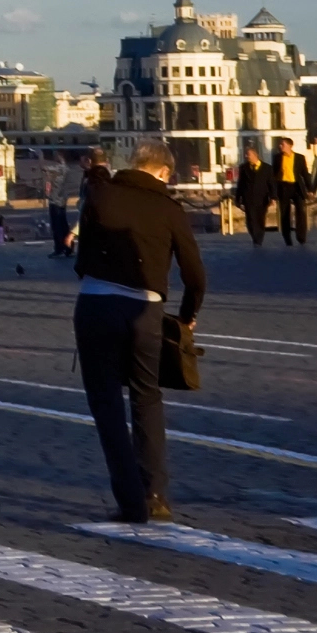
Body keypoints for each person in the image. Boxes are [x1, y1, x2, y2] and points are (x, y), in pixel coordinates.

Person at [74, 136, 204, 523]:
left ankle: (130, 501)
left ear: (133, 162)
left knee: (107, 404)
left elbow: (82, 257)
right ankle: (156, 494)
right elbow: (195, 274)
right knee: (147, 397)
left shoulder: (102, 195)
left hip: (96, 304)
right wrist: (187, 315)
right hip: (146, 309)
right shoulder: (168, 207)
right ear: (163, 171)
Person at [231, 146, 272, 248]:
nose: (246, 156)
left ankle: (259, 238)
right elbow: (240, 184)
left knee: (260, 218)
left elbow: (271, 183)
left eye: (248, 154)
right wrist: (237, 198)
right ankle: (255, 237)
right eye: (246, 154)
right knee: (250, 219)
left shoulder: (267, 168)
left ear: (255, 155)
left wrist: (273, 197)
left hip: (262, 198)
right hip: (248, 197)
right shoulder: (244, 168)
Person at [271, 137, 308, 247]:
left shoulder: (299, 158)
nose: (280, 146)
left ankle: (301, 237)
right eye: (280, 144)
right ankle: (287, 238)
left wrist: (310, 189)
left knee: (301, 212)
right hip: (283, 187)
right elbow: (273, 175)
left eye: (282, 144)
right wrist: (273, 193)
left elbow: (305, 173)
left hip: (296, 187)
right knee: (284, 213)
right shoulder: (277, 158)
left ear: (290, 146)